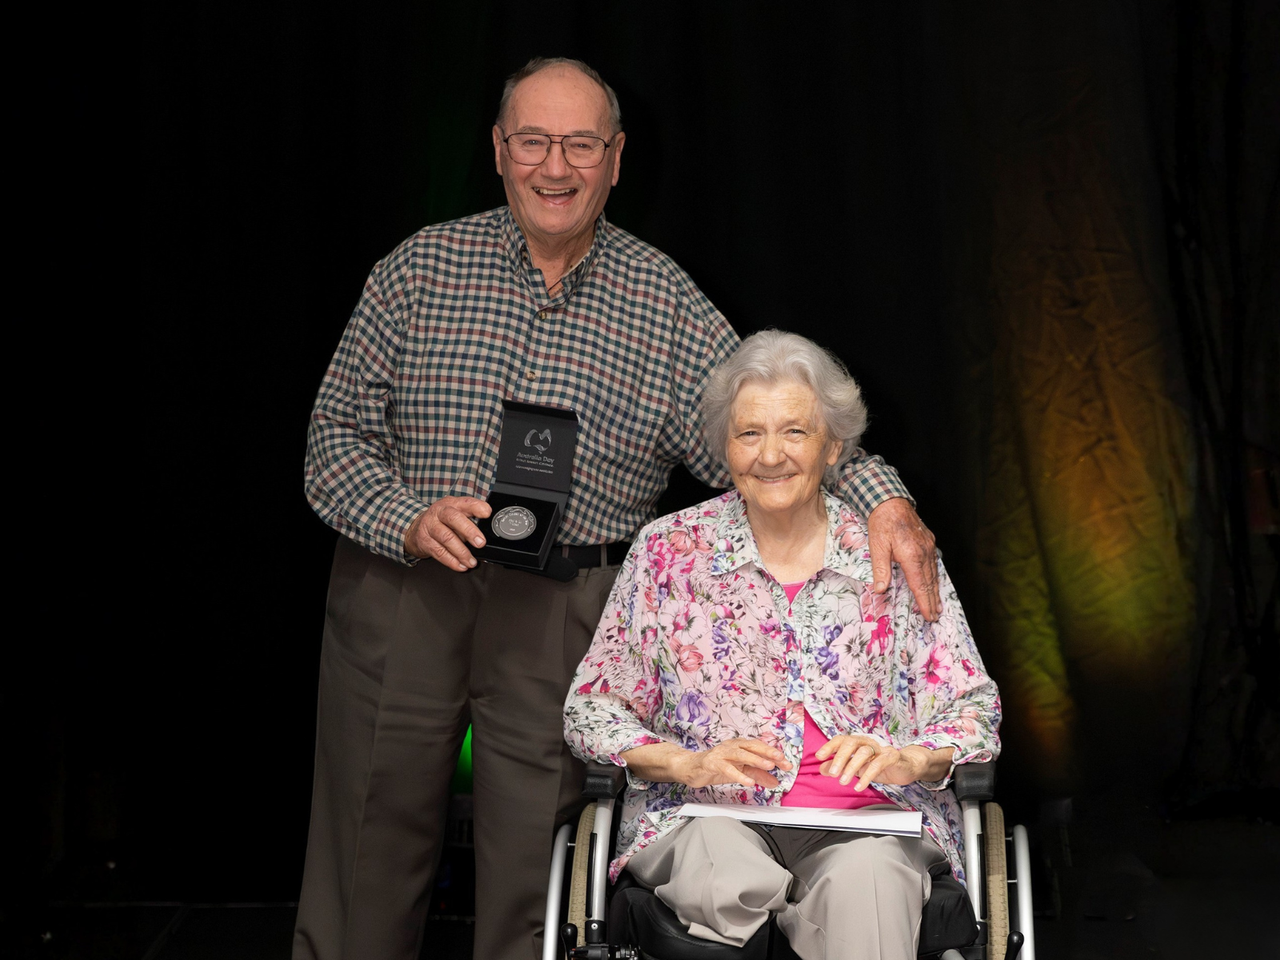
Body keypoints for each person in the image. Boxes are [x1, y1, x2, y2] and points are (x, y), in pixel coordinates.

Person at [297, 58, 941, 960]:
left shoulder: (664, 301)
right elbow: (333, 439)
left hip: (563, 611)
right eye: (533, 142)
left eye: (581, 145)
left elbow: (773, 433)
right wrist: (405, 516)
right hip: (403, 590)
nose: (555, 167)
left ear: (617, 157)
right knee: (366, 846)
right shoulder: (417, 269)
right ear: (498, 149)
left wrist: (887, 501)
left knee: (538, 871)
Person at [564, 330, 1000, 960]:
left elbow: (973, 708)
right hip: (704, 816)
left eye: (794, 431)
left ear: (834, 447)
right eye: (749, 433)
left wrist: (911, 758)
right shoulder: (667, 552)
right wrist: (684, 763)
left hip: (869, 824)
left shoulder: (891, 555)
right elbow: (592, 707)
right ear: (725, 446)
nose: (770, 455)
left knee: (870, 887)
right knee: (725, 877)